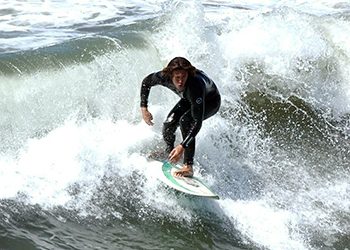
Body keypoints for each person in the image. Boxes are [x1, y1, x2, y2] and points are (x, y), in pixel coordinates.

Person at [140, 57, 221, 177]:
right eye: (177, 78)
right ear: (170, 75)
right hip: (189, 98)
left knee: (186, 121)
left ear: (188, 74)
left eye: (184, 77)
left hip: (210, 101)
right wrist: (144, 108)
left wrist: (182, 146)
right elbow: (146, 82)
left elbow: (197, 122)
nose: (180, 82)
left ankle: (188, 166)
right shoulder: (163, 77)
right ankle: (169, 151)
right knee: (169, 123)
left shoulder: (195, 86)